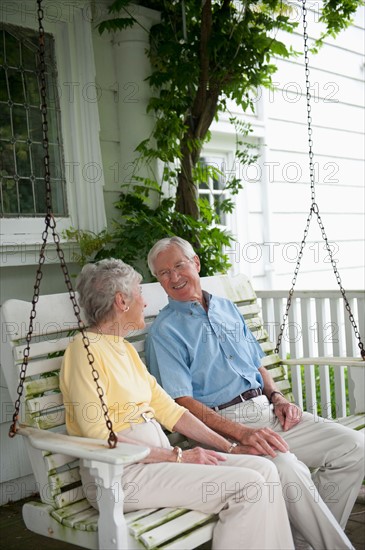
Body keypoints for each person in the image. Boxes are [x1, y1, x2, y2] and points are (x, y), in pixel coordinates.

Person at [146, 236, 365, 550]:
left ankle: (304, 541)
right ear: (159, 281)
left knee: (355, 446)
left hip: (268, 412)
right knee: (288, 467)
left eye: (179, 265)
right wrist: (242, 433)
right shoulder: (165, 331)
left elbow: (257, 365)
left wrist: (278, 397)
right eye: (163, 273)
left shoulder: (225, 308)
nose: (174, 277)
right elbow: (182, 402)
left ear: (196, 263)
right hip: (223, 426)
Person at [60, 258, 295, 550]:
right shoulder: (83, 352)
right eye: (140, 293)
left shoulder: (124, 349)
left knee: (265, 470)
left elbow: (172, 411)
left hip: (155, 467)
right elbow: (98, 435)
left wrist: (231, 446)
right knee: (249, 486)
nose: (144, 303)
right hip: (119, 477)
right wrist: (178, 456)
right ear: (121, 301)